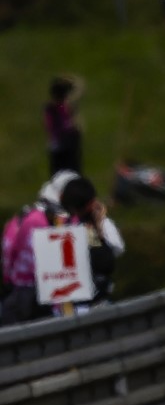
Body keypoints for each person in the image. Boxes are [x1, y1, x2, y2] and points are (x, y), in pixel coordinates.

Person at [1, 172, 73, 326]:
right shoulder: (43, 222)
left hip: (19, 290)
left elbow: (9, 254)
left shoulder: (22, 217)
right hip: (35, 294)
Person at [55, 176, 125, 315]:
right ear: (91, 203)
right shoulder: (91, 228)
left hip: (64, 307)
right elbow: (112, 256)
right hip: (91, 305)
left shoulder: (56, 227)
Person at [44, 76, 84, 176]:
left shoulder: (51, 108)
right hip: (66, 145)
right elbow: (78, 87)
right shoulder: (64, 107)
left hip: (58, 145)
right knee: (72, 174)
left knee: (58, 175)